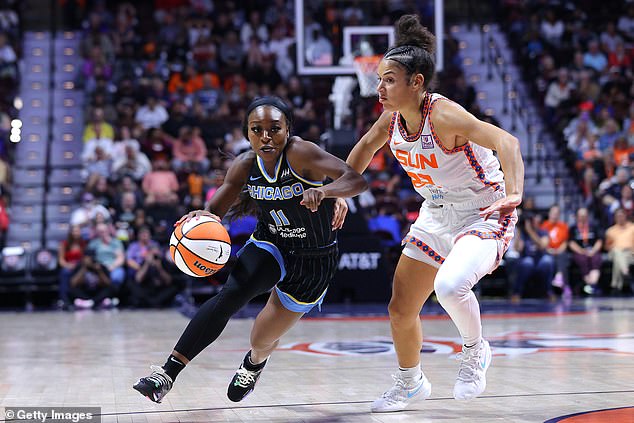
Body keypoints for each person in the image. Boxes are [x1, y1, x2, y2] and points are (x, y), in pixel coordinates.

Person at [133, 96, 366, 403]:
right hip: (271, 243)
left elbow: (356, 179)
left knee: (262, 337)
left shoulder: (301, 152)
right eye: (257, 130)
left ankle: (254, 363)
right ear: (247, 133)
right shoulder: (245, 164)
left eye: (274, 129)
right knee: (229, 296)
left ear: (287, 130)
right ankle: (165, 374)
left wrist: (325, 191)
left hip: (314, 257)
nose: (266, 136)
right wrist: (201, 217)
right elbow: (215, 210)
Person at [344, 15, 524, 412]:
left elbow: (507, 141)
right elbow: (363, 149)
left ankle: (476, 350)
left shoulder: (444, 115)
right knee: (401, 307)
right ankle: (410, 382)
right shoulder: (391, 118)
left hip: (483, 210)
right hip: (437, 213)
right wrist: (342, 192)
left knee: (449, 286)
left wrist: (515, 192)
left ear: (417, 82)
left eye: (389, 79)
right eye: (379, 79)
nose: (380, 87)